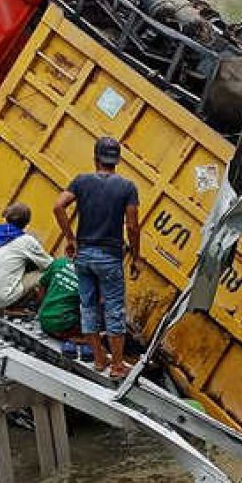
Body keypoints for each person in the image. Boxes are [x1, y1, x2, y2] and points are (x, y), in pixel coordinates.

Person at [53, 136, 141, 378]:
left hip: (84, 255)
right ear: (117, 161)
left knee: (88, 307)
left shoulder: (81, 181)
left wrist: (71, 239)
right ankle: (117, 366)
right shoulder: (127, 187)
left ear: (95, 158)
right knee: (114, 310)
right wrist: (136, 257)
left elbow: (58, 206)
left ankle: (100, 359)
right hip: (110, 257)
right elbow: (132, 226)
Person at [0, 203, 52, 311]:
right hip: (0, 298)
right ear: (26, 223)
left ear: (6, 216)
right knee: (43, 273)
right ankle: (23, 308)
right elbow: (51, 265)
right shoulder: (27, 241)